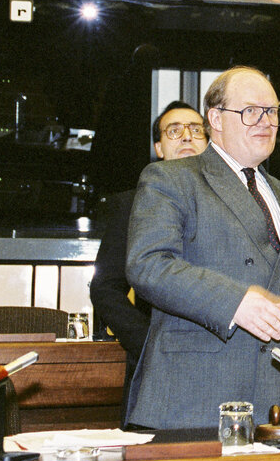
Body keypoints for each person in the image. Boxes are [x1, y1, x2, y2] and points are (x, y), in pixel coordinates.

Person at [124, 66, 280, 428]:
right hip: (195, 398)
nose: (265, 122)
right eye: (250, 111)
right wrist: (234, 302)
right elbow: (148, 265)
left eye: (273, 112)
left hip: (278, 401)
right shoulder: (172, 178)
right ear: (215, 118)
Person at [89, 101, 209, 424]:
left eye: (196, 130)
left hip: (218, 362)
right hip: (155, 367)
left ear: (209, 143)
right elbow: (105, 288)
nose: (186, 137)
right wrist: (147, 343)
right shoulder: (132, 204)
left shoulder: (230, 203)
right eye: (174, 130)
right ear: (159, 147)